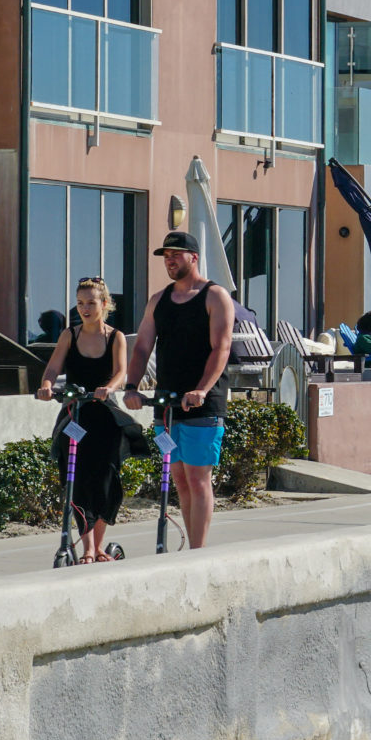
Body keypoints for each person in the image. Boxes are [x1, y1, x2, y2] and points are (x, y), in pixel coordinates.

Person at [123, 231, 234, 550]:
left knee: (199, 480)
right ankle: (192, 548)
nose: (170, 261)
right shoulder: (159, 300)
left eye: (176, 254)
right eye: (165, 256)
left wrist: (201, 389)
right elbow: (142, 347)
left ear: (193, 257)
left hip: (203, 406)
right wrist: (132, 386)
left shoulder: (215, 296)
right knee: (180, 481)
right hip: (166, 406)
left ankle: (198, 551)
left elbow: (221, 348)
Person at [38, 277, 131, 562]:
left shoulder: (116, 337)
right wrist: (46, 385)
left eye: (91, 303)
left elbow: (120, 373)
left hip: (104, 414)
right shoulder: (70, 335)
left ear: (104, 304)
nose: (85, 309)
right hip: (75, 414)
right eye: (80, 303)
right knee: (75, 480)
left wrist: (109, 388)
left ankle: (99, 546)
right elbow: (53, 367)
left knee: (104, 480)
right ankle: (88, 548)